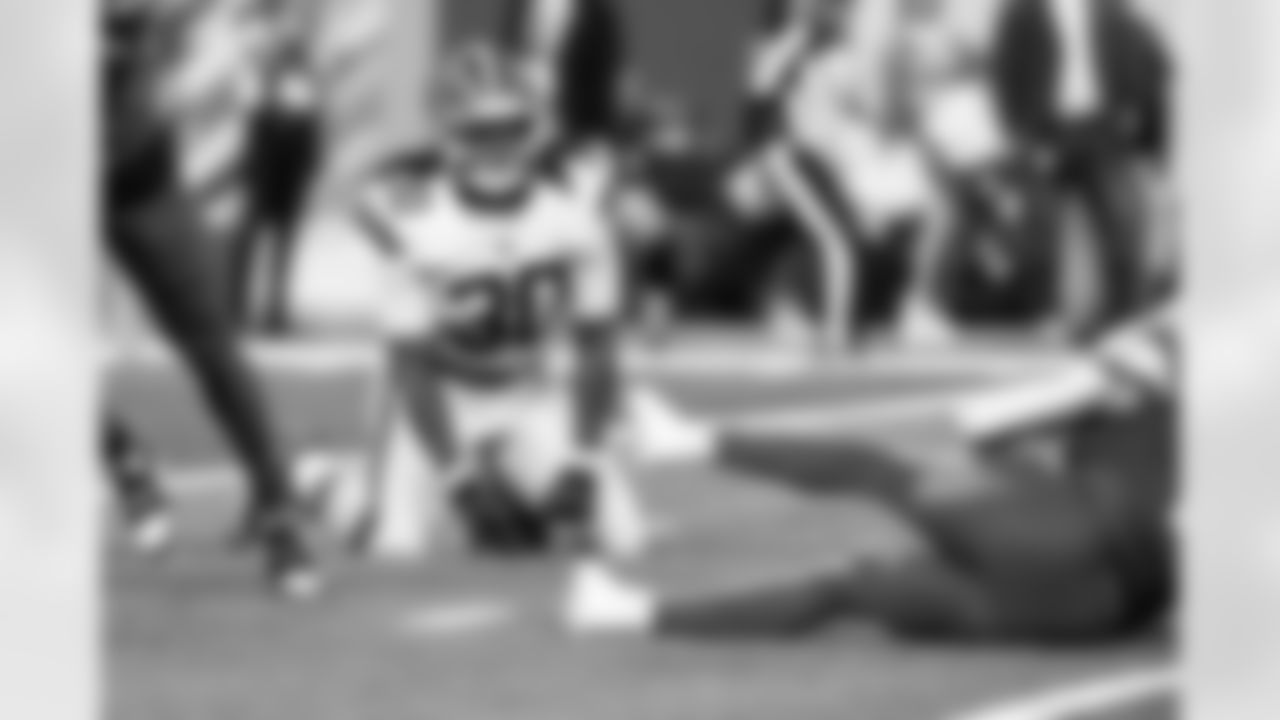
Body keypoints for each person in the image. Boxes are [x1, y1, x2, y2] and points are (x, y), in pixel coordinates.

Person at [565, 302, 1176, 643]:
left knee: (875, 475)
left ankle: (679, 449)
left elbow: (978, 425)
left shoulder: (1154, 363)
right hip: (1114, 613)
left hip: (1076, 537)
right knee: (853, 585)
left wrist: (1024, 458)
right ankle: (630, 610)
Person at [346, 45, 648, 557]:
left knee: (622, 538)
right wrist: (458, 483)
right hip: (439, 390)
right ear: (447, 135)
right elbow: (410, 361)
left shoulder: (575, 209)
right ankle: (336, 489)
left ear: (534, 126)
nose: (498, 147)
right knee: (391, 543)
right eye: (480, 132)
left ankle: (514, 494)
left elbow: (597, 345)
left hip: (529, 391)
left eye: (510, 128)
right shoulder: (411, 214)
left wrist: (584, 461)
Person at [104, 0, 319, 598]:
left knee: (209, 340)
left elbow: (124, 49)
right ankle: (119, 452)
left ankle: (281, 514)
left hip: (133, 176)